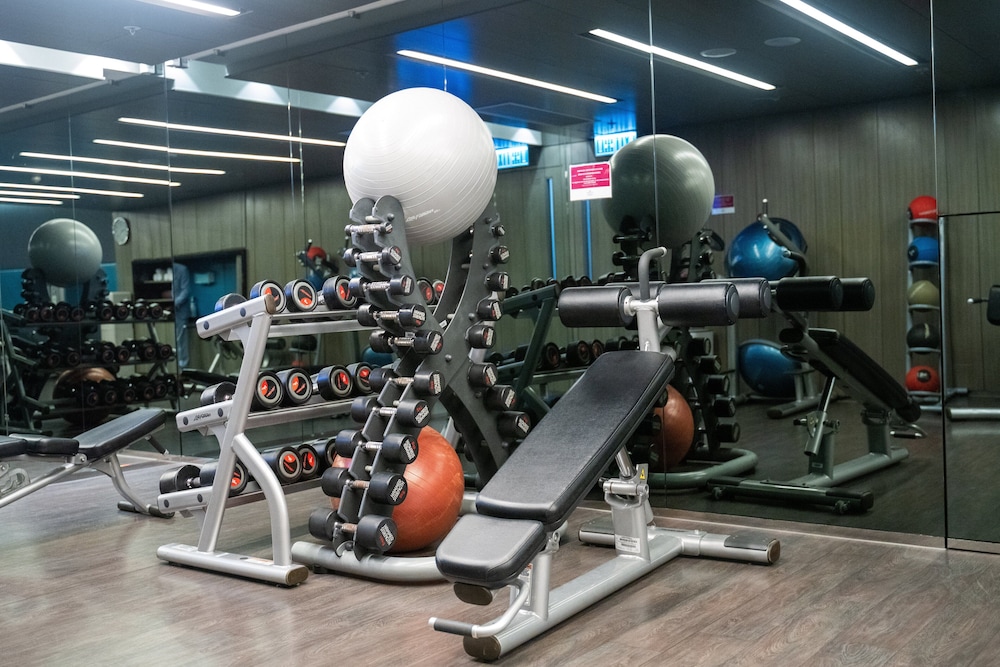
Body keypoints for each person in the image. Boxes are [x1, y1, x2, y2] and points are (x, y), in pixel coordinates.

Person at [172, 262, 192, 369]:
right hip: (173, 312)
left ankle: (184, 366)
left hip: (181, 311)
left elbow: (185, 291)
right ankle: (179, 367)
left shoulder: (182, 269)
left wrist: (174, 303)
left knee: (182, 340)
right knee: (176, 340)